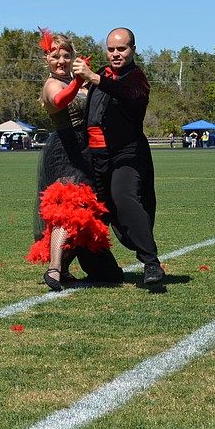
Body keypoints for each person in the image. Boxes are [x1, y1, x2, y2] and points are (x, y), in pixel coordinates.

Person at [26, 28, 123, 290]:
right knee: (68, 208)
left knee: (87, 212)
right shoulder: (52, 84)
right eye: (55, 56)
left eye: (66, 56)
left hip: (90, 150)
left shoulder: (82, 82)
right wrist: (79, 83)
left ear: (73, 57)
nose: (61, 61)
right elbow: (59, 100)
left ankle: (67, 266)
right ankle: (55, 269)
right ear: (47, 59)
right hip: (66, 149)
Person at [72, 27, 164, 285]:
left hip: (128, 153)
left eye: (121, 49)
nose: (115, 54)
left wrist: (94, 78)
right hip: (96, 157)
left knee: (124, 198)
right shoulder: (101, 74)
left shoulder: (137, 78)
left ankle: (151, 263)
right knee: (89, 213)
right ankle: (102, 270)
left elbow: (129, 94)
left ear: (133, 50)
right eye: (111, 49)